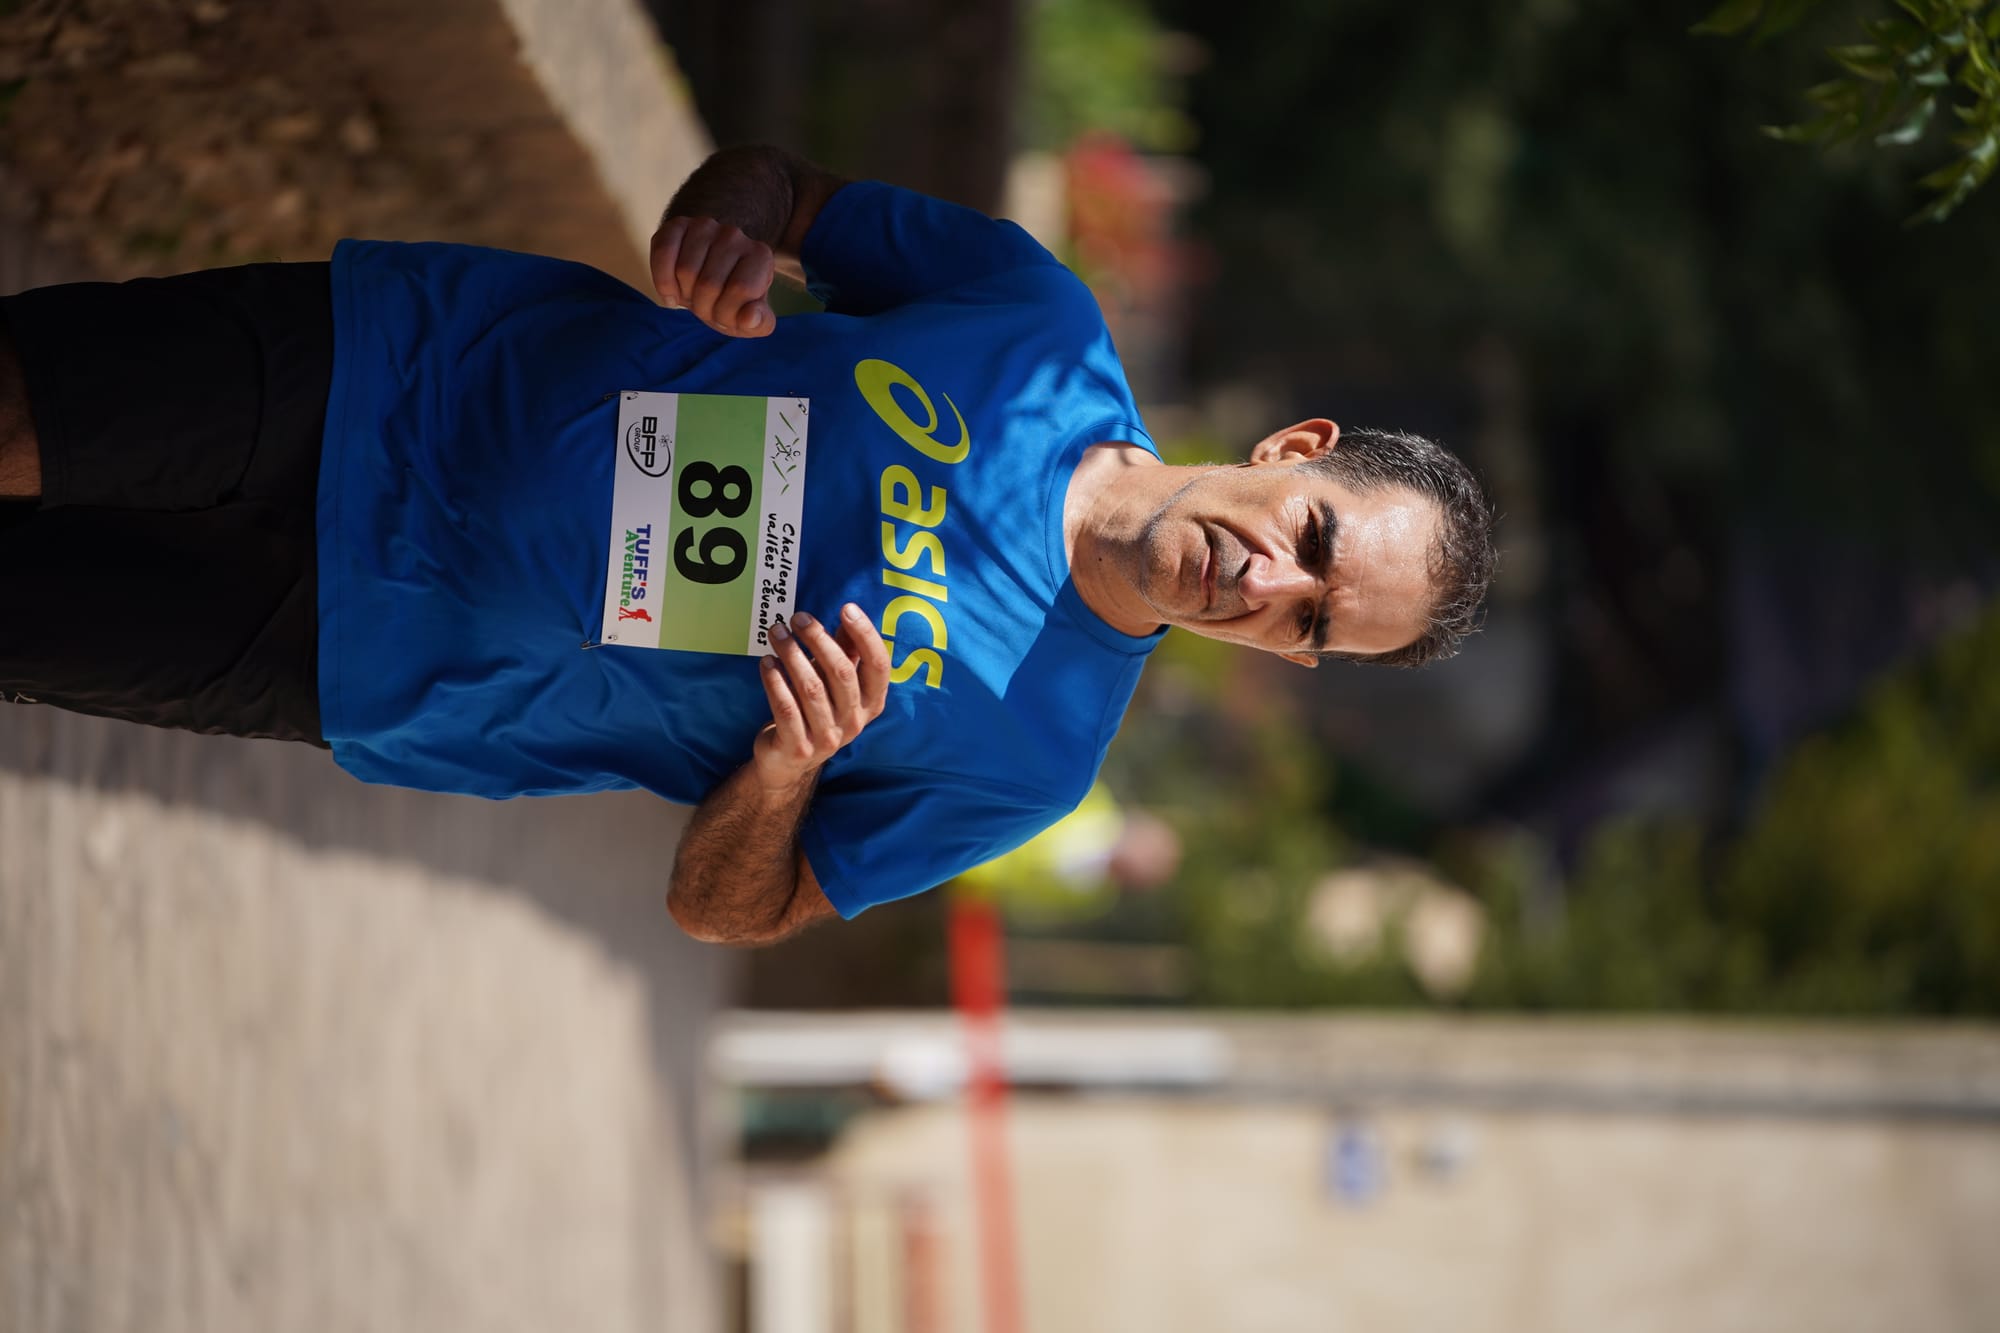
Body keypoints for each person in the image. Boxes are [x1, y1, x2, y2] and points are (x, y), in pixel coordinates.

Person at [0, 145, 1496, 943]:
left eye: (1313, 622)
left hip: (368, 659)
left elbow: (732, 909)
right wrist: (723, 231)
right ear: (1296, 454)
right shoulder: (1036, 321)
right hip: (395, 370)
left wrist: (785, 765)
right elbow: (778, 187)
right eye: (1314, 540)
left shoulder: (1032, 761)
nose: (1273, 585)